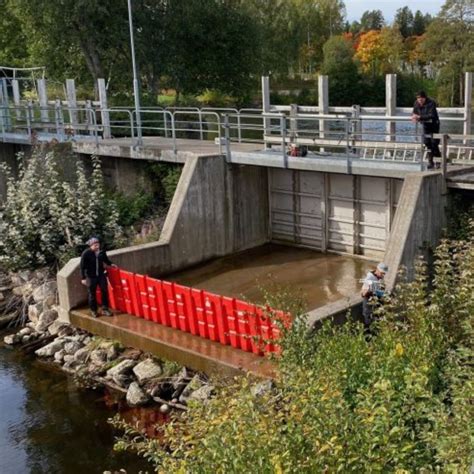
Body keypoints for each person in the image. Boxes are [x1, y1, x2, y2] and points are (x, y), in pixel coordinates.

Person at [80, 237, 116, 318]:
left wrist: (111, 264)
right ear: (91, 246)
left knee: (104, 291)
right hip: (90, 276)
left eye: (98, 244)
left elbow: (106, 260)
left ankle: (105, 309)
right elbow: (82, 266)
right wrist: (83, 278)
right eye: (95, 245)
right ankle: (94, 310)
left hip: (101, 274)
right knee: (92, 294)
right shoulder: (86, 253)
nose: (97, 246)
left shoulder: (101, 252)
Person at [411, 90, 441, 169]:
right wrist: (414, 116)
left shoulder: (431, 103)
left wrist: (420, 117)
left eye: (421, 99)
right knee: (427, 143)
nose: (420, 100)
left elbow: (431, 115)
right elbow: (414, 112)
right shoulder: (416, 103)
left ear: (425, 98)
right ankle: (430, 162)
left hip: (434, 124)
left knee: (434, 143)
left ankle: (438, 161)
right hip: (425, 125)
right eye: (418, 99)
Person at [361, 262, 388, 334]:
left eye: (384, 274)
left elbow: (382, 288)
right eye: (382, 273)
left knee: (377, 322)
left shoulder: (380, 278)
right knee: (368, 323)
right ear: (377, 270)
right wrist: (372, 290)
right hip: (368, 304)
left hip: (376, 303)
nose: (383, 275)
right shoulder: (369, 278)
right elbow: (363, 293)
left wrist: (382, 292)